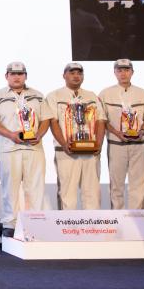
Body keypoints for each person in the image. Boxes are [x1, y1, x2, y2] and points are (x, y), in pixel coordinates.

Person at [0, 62, 49, 238]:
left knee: (35, 188)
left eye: (20, 73)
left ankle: (35, 223)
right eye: (13, 74)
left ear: (25, 76)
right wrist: (10, 135)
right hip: (9, 148)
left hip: (34, 148)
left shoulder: (38, 96)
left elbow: (46, 119)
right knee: (10, 189)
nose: (17, 77)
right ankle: (9, 224)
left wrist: (39, 135)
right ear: (6, 76)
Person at [43, 62, 106, 210]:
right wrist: (64, 144)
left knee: (92, 193)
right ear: (64, 75)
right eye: (72, 73)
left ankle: (92, 224)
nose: (76, 76)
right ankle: (67, 224)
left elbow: (101, 121)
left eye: (79, 73)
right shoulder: (54, 96)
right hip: (66, 151)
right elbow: (53, 122)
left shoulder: (91, 95)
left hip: (91, 151)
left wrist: (99, 144)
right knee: (67, 194)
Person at [98, 59, 144, 209]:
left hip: (138, 145)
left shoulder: (141, 92)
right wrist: (116, 132)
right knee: (116, 184)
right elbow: (102, 120)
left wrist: (142, 131)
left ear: (132, 72)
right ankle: (118, 216)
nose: (123, 73)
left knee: (139, 183)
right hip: (116, 145)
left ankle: (137, 217)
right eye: (120, 70)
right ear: (114, 72)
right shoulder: (105, 93)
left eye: (126, 70)